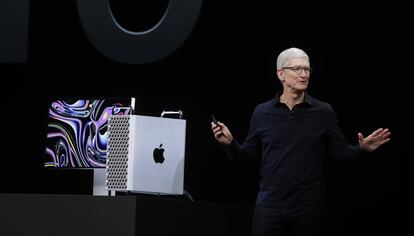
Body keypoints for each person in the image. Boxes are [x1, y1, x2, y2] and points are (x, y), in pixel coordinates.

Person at [211, 47, 390, 236]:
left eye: (307, 69)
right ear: (281, 74)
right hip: (270, 204)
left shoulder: (323, 112)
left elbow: (341, 154)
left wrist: (361, 149)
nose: (303, 74)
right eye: (297, 69)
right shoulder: (262, 112)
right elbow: (248, 157)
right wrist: (230, 144)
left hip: (308, 207)